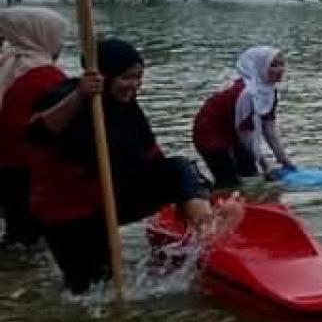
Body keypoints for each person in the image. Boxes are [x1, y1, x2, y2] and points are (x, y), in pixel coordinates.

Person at [27, 38, 229, 294]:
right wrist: (80, 96)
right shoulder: (69, 96)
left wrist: (192, 194)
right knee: (93, 288)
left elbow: (154, 159)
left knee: (178, 168)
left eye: (138, 78)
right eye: (126, 78)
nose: (133, 85)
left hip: (114, 195)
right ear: (105, 75)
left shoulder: (127, 108)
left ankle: (207, 227)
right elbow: (37, 133)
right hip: (70, 213)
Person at [0, 8, 68, 246]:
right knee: (33, 240)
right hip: (32, 171)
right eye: (58, 36)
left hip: (7, 166)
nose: (61, 44)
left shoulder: (7, 63)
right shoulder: (45, 75)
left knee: (18, 236)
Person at [193, 46, 294, 188]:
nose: (280, 70)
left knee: (251, 175)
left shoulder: (269, 92)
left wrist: (284, 160)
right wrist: (265, 165)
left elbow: (269, 130)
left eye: (282, 64)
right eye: (274, 65)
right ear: (260, 67)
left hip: (235, 131)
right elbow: (247, 136)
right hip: (210, 133)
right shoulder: (247, 94)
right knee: (229, 181)